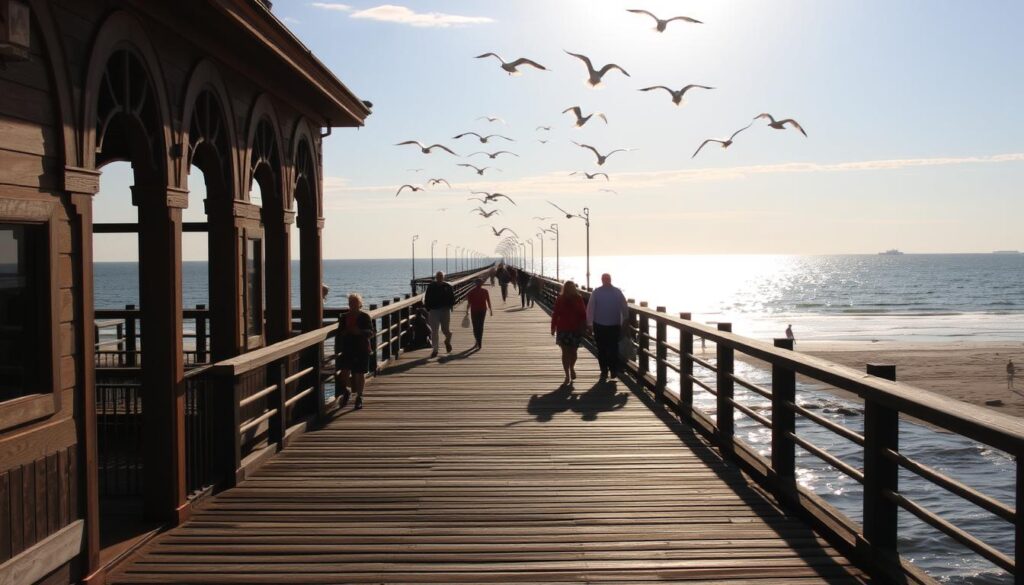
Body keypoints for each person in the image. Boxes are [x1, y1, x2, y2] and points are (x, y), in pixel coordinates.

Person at [586, 273, 629, 381]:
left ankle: (605, 370)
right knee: (613, 348)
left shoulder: (597, 292)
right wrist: (625, 319)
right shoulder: (617, 292)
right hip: (613, 325)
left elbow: (590, 309)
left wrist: (589, 324)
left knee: (602, 349)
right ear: (610, 280)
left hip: (600, 325)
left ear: (602, 280)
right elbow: (625, 307)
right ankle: (612, 369)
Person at [337, 293, 373, 410]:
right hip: (348, 348)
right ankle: (347, 390)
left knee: (359, 373)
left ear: (360, 304)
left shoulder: (365, 316)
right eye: (351, 303)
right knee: (344, 372)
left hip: (361, 347)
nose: (353, 305)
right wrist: (345, 332)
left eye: (355, 303)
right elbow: (340, 332)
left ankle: (359, 396)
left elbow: (371, 332)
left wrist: (360, 332)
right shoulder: (344, 317)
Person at [551, 280, 587, 386]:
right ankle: (567, 374)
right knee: (565, 352)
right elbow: (555, 313)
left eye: (572, 287)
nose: (571, 289)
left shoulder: (578, 298)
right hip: (563, 329)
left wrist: (585, 326)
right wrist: (553, 327)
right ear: (565, 288)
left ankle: (571, 367)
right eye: (569, 287)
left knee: (574, 352)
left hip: (575, 329)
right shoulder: (560, 298)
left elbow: (583, 313)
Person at [424, 271, 455, 358]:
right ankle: (435, 350)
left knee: (446, 330)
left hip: (445, 310)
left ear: (443, 277)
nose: (439, 277)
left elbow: (452, 298)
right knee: (435, 331)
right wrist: (428, 308)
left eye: (441, 276)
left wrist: (450, 305)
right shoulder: (431, 286)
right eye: (438, 276)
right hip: (434, 310)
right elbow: (427, 297)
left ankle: (447, 340)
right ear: (435, 277)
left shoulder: (447, 286)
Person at [465, 278, 493, 349]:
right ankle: (479, 342)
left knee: (475, 327)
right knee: (481, 326)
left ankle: (477, 341)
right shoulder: (485, 291)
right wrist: (490, 310)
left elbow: (469, 303)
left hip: (474, 310)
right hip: (482, 310)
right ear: (482, 284)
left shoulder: (471, 291)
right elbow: (488, 301)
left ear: (475, 283)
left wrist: (467, 310)